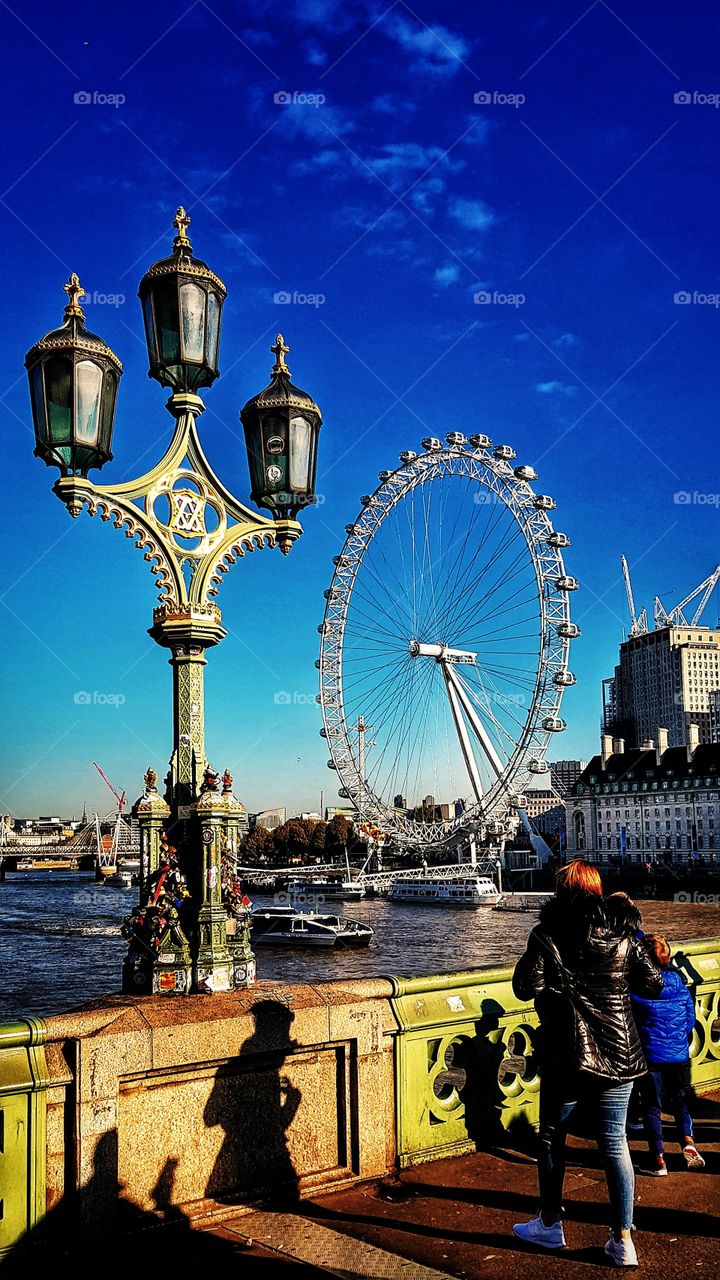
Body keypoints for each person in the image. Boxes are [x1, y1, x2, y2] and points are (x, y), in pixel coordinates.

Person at [511, 859, 663, 1268]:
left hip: (568, 1053)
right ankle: (623, 1239)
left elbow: (525, 987)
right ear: (598, 890)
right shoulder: (622, 933)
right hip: (620, 1050)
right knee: (615, 1143)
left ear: (561, 891)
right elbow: (654, 982)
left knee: (551, 1138)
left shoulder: (548, 934)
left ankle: (549, 1223)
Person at [631, 933, 704, 1175]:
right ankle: (687, 1141)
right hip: (678, 1056)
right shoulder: (680, 986)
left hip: (651, 1058)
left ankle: (658, 1159)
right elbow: (689, 1022)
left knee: (652, 1106)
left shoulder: (639, 990)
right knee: (680, 1101)